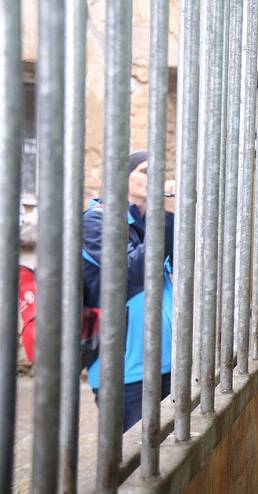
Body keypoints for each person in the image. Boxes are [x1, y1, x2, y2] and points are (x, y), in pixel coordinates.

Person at [82, 151, 175, 431]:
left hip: (166, 364)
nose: (154, 179)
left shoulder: (147, 222)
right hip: (125, 372)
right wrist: (169, 213)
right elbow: (131, 270)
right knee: (133, 465)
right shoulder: (96, 222)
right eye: (145, 172)